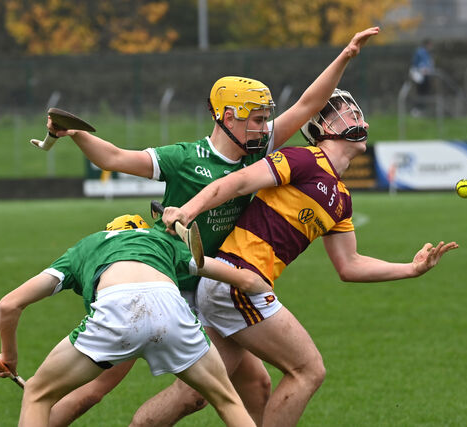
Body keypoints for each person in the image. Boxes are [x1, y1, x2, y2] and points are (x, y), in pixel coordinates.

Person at [45, 26, 381, 426]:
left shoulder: (260, 150)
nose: (264, 126)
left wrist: (345, 55)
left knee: (253, 385)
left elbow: (311, 103)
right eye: (256, 119)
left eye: (265, 118)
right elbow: (116, 158)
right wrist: (76, 134)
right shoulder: (185, 158)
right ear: (227, 118)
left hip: (216, 286)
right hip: (168, 285)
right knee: (95, 391)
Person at [162, 88, 459, 426]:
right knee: (308, 369)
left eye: (359, 113)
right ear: (322, 127)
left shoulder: (341, 199)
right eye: (348, 114)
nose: (360, 119)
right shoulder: (303, 158)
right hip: (239, 281)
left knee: (196, 395)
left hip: (232, 289)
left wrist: (411, 269)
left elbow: (350, 265)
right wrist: (187, 211)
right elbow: (239, 181)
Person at [0, 214, 273, 426]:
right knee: (228, 401)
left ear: (109, 232)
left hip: (116, 309)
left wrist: (9, 355)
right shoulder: (163, 240)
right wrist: (267, 291)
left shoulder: (85, 247)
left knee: (37, 393)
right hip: (171, 309)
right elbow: (245, 279)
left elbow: (9, 304)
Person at [409, 38, 435, 115]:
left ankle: (422, 109)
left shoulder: (427, 53)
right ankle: (417, 109)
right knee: (420, 92)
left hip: (425, 76)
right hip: (420, 76)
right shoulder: (420, 52)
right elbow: (418, 64)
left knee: (424, 92)